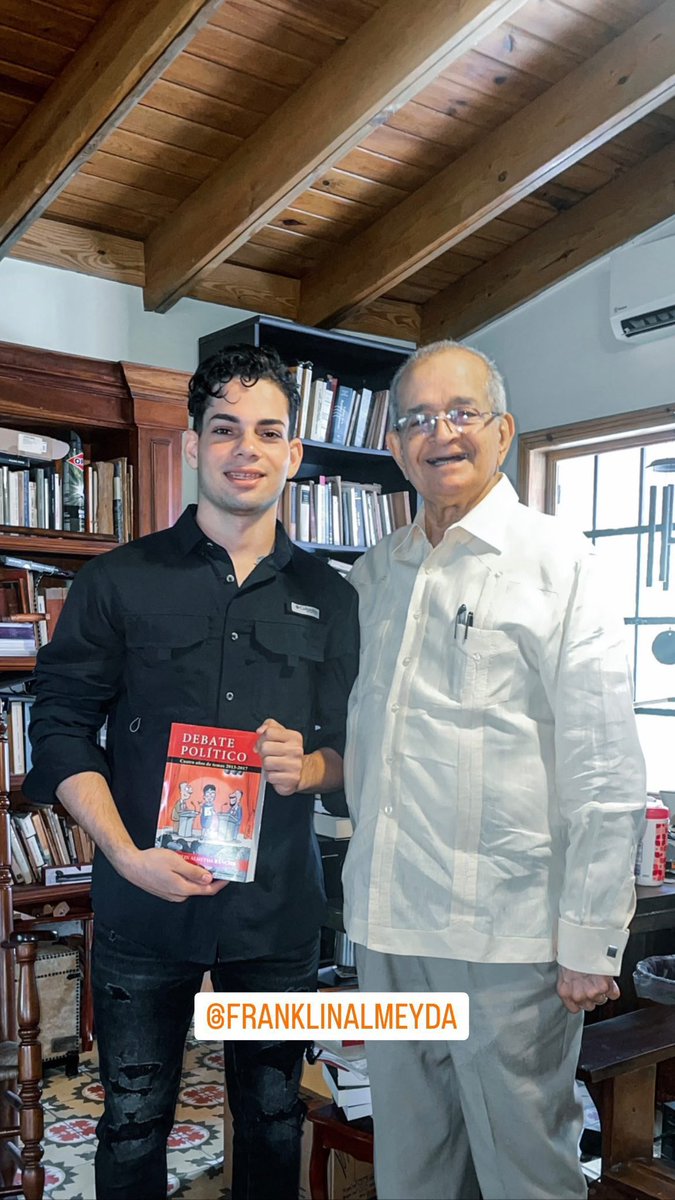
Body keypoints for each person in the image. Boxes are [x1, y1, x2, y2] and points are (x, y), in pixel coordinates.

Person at [23, 344, 359, 1200]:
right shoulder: (116, 582)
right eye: (225, 428)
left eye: (268, 431)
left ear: (293, 453)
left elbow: (362, 753)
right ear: (197, 443)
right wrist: (124, 854)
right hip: (143, 903)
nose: (246, 448)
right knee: (133, 1119)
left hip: (276, 912)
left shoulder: (334, 595)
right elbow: (60, 728)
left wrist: (315, 764)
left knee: (274, 1114)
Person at [342, 340, 646, 1200]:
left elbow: (601, 759)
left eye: (460, 412)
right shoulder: (372, 575)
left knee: (525, 1169)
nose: (438, 433)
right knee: (411, 1164)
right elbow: (367, 739)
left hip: (506, 936)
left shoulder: (558, 562)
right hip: (388, 924)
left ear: (502, 431)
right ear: (396, 447)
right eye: (414, 419)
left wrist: (589, 936)